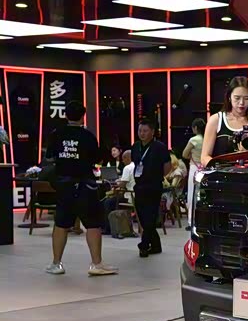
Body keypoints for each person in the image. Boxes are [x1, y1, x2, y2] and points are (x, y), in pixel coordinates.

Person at [43, 101, 118, 276]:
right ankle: (96, 264)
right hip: (86, 185)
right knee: (93, 224)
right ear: (82, 116)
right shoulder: (88, 136)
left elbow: (50, 157)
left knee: (61, 223)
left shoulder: (56, 134)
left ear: (66, 115)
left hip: (64, 185)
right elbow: (98, 159)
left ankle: (56, 264)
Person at [201, 76, 248, 167]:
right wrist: (221, 166)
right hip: (222, 172)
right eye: (237, 98)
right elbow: (204, 157)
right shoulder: (215, 120)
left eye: (247, 98)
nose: (241, 103)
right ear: (229, 97)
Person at [131, 117, 171, 258]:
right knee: (142, 217)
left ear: (152, 132)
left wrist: (157, 175)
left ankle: (144, 245)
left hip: (153, 186)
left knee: (150, 216)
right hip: (139, 186)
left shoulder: (159, 147)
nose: (142, 133)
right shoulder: (135, 146)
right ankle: (156, 245)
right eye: (140, 130)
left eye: (145, 131)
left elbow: (167, 166)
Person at [101, 150, 135, 234]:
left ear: (127, 158)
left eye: (123, 159)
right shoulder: (136, 166)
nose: (123, 161)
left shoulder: (127, 168)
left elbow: (122, 185)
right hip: (136, 195)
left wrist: (117, 184)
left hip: (129, 197)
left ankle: (107, 228)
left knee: (107, 202)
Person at [182, 118, 205, 228]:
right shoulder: (207, 138)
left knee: (192, 194)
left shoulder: (193, 140)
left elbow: (184, 154)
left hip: (195, 168)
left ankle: (192, 221)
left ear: (195, 128)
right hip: (205, 168)